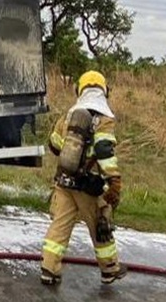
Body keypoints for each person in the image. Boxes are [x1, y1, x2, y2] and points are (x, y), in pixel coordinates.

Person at [40, 70, 126, 286]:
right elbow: (104, 150)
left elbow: (55, 145)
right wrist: (113, 179)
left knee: (59, 225)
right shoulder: (103, 119)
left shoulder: (69, 115)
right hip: (88, 186)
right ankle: (110, 270)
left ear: (80, 90)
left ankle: (49, 269)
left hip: (63, 182)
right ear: (104, 91)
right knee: (99, 226)